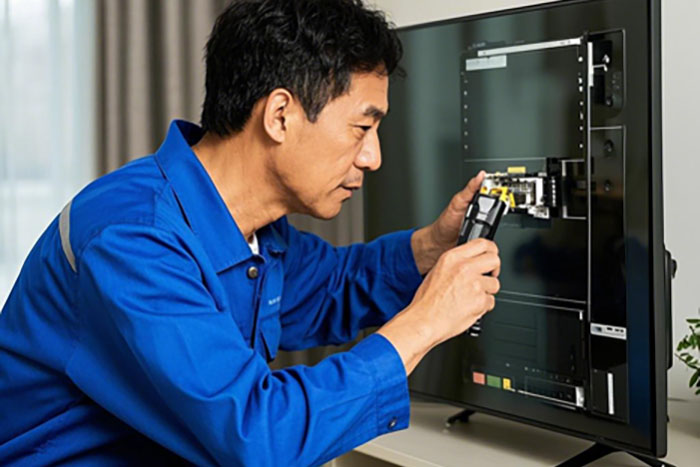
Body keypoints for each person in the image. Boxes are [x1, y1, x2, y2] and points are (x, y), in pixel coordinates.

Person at [0, 0, 500, 465]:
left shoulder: (250, 231)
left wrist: (429, 248)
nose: (373, 157)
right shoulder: (134, 238)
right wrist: (425, 324)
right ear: (280, 116)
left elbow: (333, 286)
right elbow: (256, 437)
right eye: (361, 128)